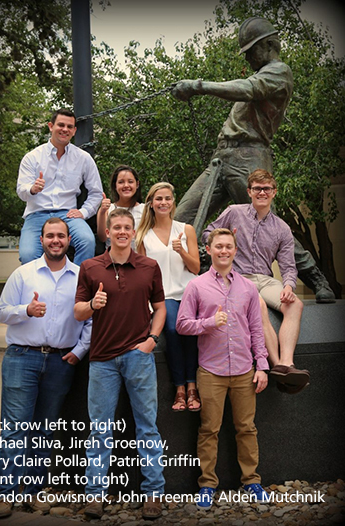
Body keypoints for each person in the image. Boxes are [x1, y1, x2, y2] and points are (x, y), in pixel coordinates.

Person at [172, 17, 335, 303]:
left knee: (265, 222)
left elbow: (247, 89)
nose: (247, 57)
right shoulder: (258, 76)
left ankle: (315, 277)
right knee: (178, 220)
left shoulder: (278, 72)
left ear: (270, 45)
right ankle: (181, 281)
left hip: (250, 157)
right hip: (222, 158)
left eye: (251, 50)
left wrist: (198, 86)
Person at [0, 217, 91, 519]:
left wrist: (79, 351)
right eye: (50, 236)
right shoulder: (24, 274)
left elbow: (90, 320)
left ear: (69, 241)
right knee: (15, 429)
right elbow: (1, 311)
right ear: (42, 240)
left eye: (61, 235)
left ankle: (32, 494)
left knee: (43, 432)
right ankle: (4, 495)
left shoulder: (80, 278)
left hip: (61, 362)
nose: (56, 240)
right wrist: (26, 311)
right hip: (23, 357)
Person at [74, 208, 166, 520]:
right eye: (117, 227)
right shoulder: (89, 267)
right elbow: (78, 312)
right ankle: (95, 497)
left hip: (138, 356)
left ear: (133, 230)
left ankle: (153, 494)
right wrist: (91, 305)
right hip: (102, 361)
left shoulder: (149, 266)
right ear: (108, 232)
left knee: (147, 427)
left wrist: (152, 339)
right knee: (100, 430)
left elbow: (161, 307)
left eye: (128, 227)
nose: (123, 232)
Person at [176, 228, 270, 511]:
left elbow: (256, 328)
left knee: (246, 428)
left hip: (244, 370)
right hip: (211, 371)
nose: (224, 251)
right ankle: (207, 485)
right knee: (209, 429)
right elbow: (182, 324)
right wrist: (208, 323)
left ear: (235, 251)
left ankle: (251, 480)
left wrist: (262, 365)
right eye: (219, 246)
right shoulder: (196, 286)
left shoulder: (248, 287)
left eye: (229, 246)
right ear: (209, 250)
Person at [202, 169, 310, 394]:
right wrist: (223, 237)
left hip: (265, 278)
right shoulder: (234, 212)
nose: (262, 192)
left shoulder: (281, 228)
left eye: (267, 189)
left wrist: (289, 285)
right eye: (257, 189)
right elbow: (207, 233)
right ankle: (277, 364)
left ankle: (287, 363)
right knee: (258, 305)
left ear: (274, 192)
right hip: (237, 277)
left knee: (295, 304)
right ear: (249, 192)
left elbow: (288, 266)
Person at [136, 182, 201, 412]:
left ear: (173, 202)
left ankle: (192, 387)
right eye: (158, 199)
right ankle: (180, 388)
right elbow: (142, 274)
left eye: (167, 198)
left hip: (189, 294)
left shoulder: (186, 230)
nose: (163, 202)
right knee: (173, 330)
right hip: (163, 296)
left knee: (191, 333)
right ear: (151, 204)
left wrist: (181, 250)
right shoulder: (143, 235)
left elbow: (196, 268)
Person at [17, 108, 103, 266]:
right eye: (61, 125)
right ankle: (38, 290)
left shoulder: (84, 158)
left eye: (70, 127)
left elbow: (96, 193)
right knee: (27, 255)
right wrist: (32, 189)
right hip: (37, 214)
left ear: (74, 130)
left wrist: (83, 212)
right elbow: (21, 191)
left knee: (88, 241)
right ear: (51, 126)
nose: (65, 129)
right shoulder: (32, 157)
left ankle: (76, 285)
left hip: (68, 214)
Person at [96, 165, 144, 250]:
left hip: (139, 259)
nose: (126, 185)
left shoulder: (145, 210)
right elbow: (103, 238)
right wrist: (103, 212)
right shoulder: (107, 209)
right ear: (115, 185)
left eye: (130, 181)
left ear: (137, 184)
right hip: (113, 260)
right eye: (121, 182)